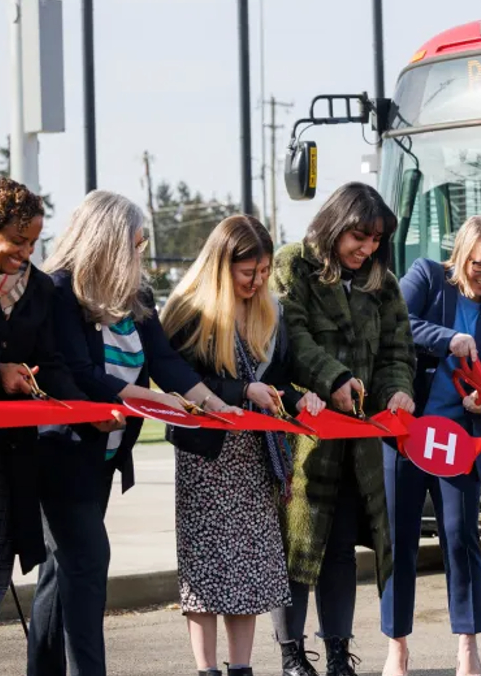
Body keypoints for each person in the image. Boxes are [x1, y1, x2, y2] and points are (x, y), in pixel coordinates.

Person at [32, 190, 240, 676]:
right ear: (106, 241)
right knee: (87, 561)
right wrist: (147, 399)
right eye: (135, 242)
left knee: (61, 574)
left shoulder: (137, 296)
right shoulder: (58, 291)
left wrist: (214, 403)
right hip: (62, 453)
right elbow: (80, 373)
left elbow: (165, 362)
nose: (140, 253)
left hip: (104, 456)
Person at [0, 179, 117, 676]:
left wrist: (85, 411)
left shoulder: (37, 289)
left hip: (9, 469)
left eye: (34, 243)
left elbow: (52, 365)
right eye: (16, 242)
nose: (26, 253)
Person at [160, 215, 327, 676]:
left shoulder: (266, 311)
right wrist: (238, 394)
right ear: (220, 265)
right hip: (206, 458)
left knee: (252, 570)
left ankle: (242, 668)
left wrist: (300, 399)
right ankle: (207, 669)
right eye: (247, 272)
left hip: (254, 457)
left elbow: (273, 383)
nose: (257, 282)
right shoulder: (189, 312)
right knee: (205, 571)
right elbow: (178, 380)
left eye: (263, 271)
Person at [271, 182, 416, 676]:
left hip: (361, 444)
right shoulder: (294, 264)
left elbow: (399, 352)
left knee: (339, 551)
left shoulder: (383, 282)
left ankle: (338, 653)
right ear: (336, 225)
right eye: (360, 236)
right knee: (297, 547)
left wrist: (398, 391)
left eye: (376, 240)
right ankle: (292, 655)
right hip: (303, 437)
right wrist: (332, 379)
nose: (367, 249)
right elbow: (293, 338)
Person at [386, 215, 481, 676]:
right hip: (407, 433)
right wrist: (450, 340)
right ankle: (397, 645)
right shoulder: (426, 277)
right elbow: (397, 321)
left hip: (459, 438)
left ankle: (467, 646)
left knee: (461, 539)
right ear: (463, 254)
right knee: (399, 541)